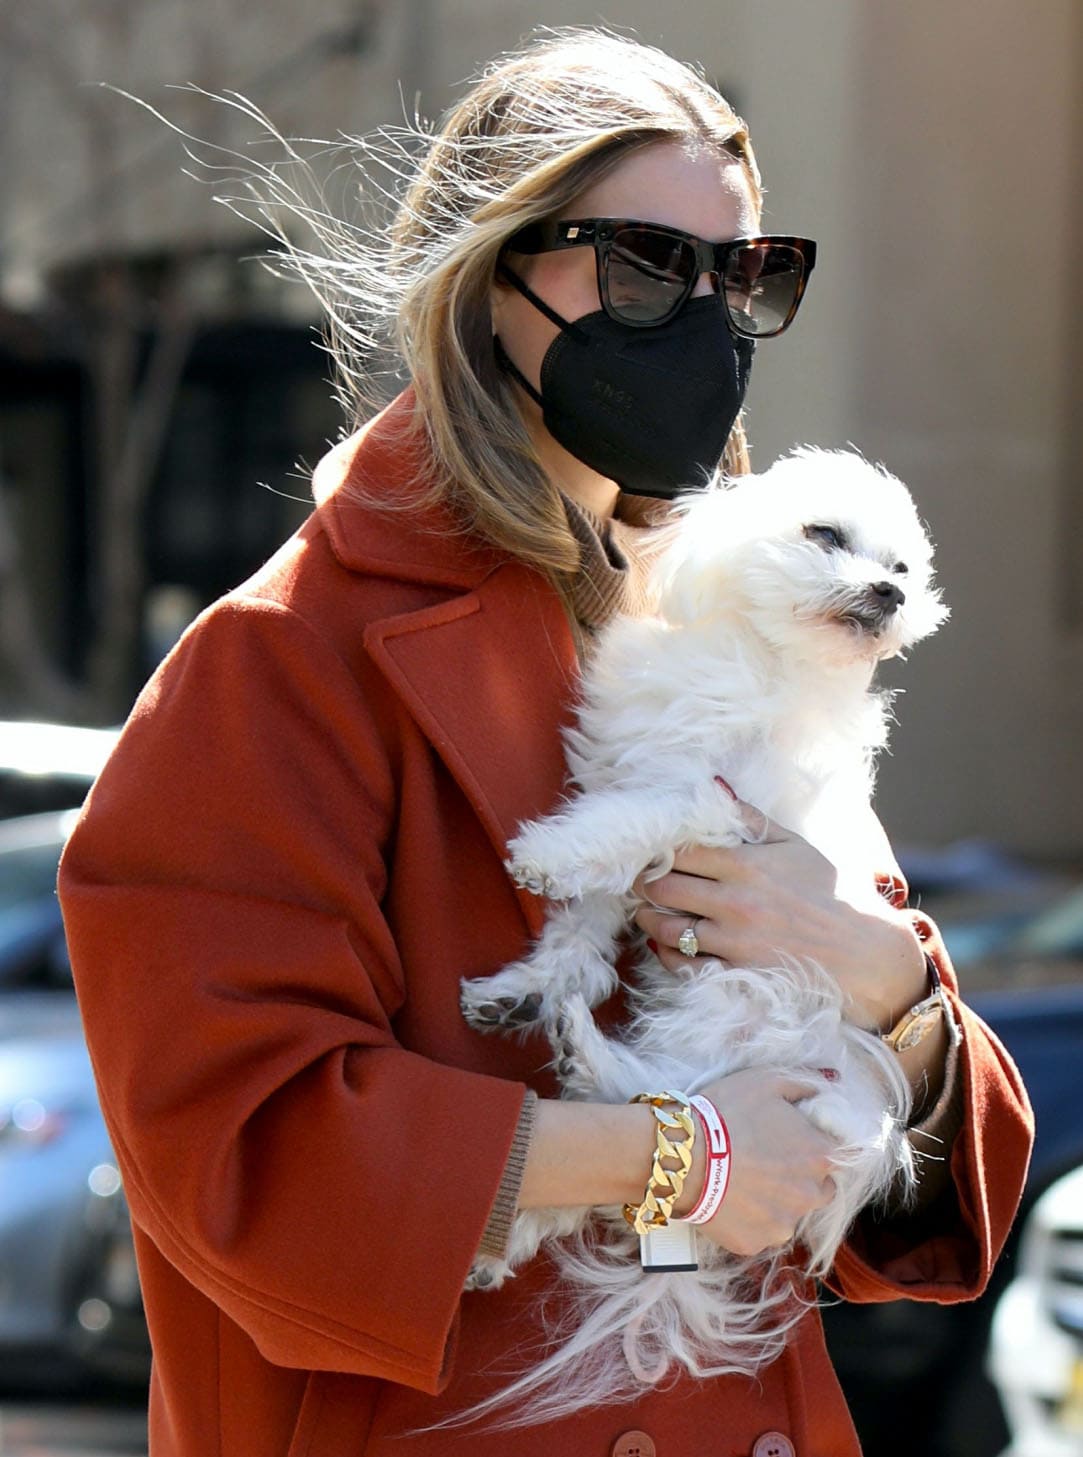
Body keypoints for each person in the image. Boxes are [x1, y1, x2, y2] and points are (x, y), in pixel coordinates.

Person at [58, 28, 1033, 1457]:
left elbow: (925, 1207)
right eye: (644, 265)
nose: (698, 319)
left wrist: (887, 979)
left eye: (742, 277)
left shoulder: (747, 635)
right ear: (491, 271)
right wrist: (678, 1161)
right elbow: (239, 1152)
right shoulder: (280, 661)